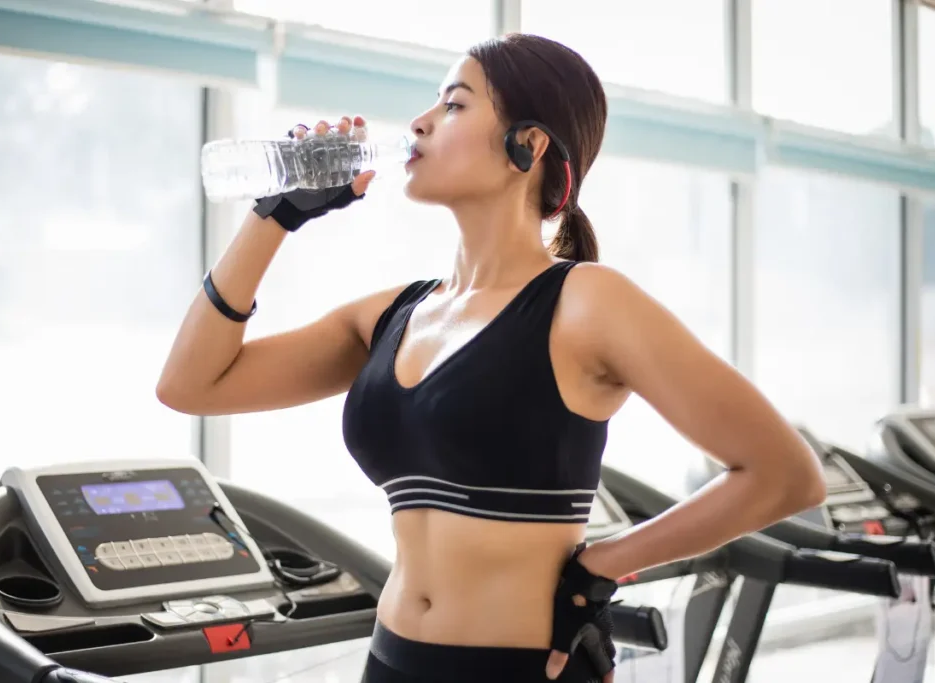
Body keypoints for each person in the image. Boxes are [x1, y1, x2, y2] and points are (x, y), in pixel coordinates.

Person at [157, 33, 827, 683]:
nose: (419, 123)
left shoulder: (586, 302)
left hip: (523, 666)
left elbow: (785, 474)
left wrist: (605, 564)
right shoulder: (392, 313)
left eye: (452, 104)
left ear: (527, 145)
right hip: (391, 657)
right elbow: (191, 383)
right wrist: (272, 216)